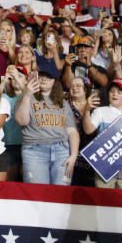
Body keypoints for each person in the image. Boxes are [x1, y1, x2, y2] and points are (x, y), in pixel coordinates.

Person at [15, 57, 79, 185]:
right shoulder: (25, 97)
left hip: (61, 151)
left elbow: (72, 131)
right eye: (41, 76)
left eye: (48, 77)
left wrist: (73, 156)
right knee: (37, 196)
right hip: (35, 150)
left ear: (54, 81)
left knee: (60, 196)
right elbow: (22, 121)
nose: (44, 79)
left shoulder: (63, 103)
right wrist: (27, 94)